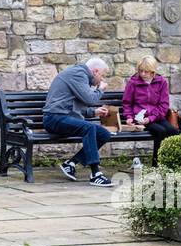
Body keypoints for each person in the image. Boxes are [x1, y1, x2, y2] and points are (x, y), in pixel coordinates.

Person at [43, 57, 114, 186]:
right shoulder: (78, 74)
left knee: (104, 134)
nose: (102, 80)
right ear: (96, 71)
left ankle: (71, 164)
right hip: (54, 118)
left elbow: (74, 106)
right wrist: (100, 89)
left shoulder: (80, 75)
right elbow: (90, 99)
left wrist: (94, 112)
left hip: (64, 117)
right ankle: (95, 174)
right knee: (89, 128)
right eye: (102, 76)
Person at [122, 56, 174, 165]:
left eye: (146, 71)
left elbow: (164, 104)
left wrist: (151, 118)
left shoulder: (161, 82)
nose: (143, 74)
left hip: (156, 116)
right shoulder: (133, 82)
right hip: (140, 118)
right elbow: (127, 103)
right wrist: (129, 117)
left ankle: (169, 163)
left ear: (153, 71)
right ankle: (156, 164)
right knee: (160, 131)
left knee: (173, 131)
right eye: (140, 71)